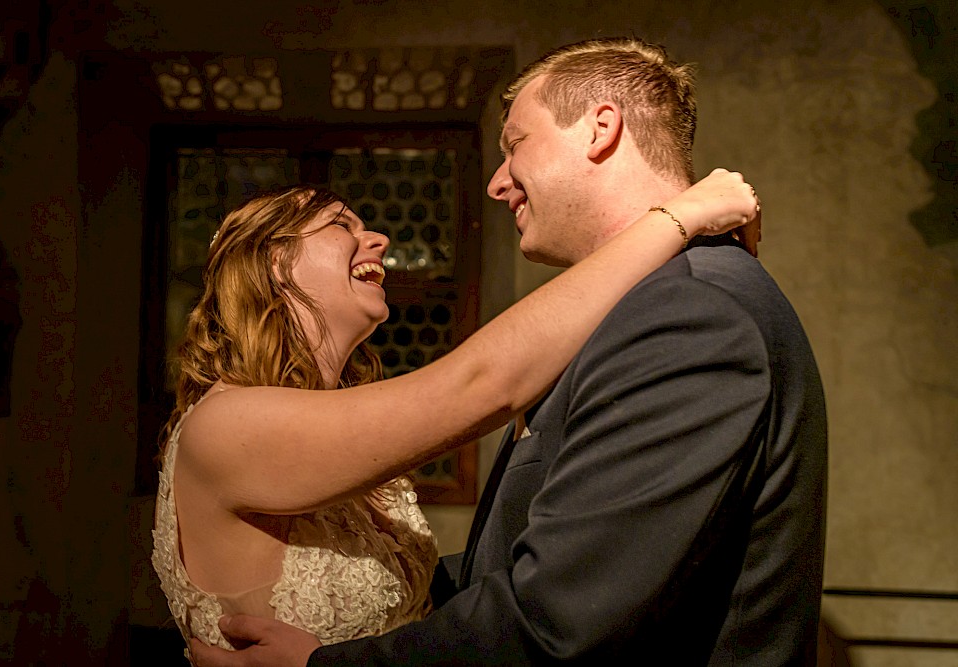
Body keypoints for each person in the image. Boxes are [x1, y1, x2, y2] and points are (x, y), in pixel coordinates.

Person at [188, 35, 820, 666]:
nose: (495, 184)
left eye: (515, 144)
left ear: (601, 129)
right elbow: (485, 403)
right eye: (340, 228)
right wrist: (681, 213)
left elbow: (559, 620)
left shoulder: (687, 314)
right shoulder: (653, 306)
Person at [151, 169, 758, 655]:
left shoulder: (313, 421)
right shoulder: (226, 427)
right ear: (272, 264)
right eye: (340, 225)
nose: (378, 240)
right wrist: (677, 219)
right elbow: (479, 384)